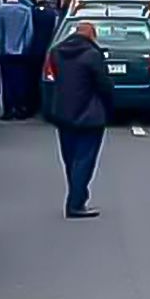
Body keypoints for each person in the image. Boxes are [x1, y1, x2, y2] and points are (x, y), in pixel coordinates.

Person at [47, 22, 113, 219]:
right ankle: (76, 203)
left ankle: (76, 195)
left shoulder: (57, 52)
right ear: (92, 35)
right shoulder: (93, 55)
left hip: (63, 113)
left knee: (70, 158)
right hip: (90, 115)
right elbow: (104, 85)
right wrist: (109, 107)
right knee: (85, 159)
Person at [0, 0, 34, 120]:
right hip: (21, 50)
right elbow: (29, 32)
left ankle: (8, 109)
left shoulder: (2, 10)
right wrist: (26, 47)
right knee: (20, 79)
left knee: (7, 81)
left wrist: (0, 49)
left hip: (6, 50)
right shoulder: (25, 10)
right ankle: (20, 108)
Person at [25, 0, 60, 117]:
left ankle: (31, 105)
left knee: (31, 79)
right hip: (47, 50)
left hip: (33, 50)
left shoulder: (31, 12)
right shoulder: (53, 14)